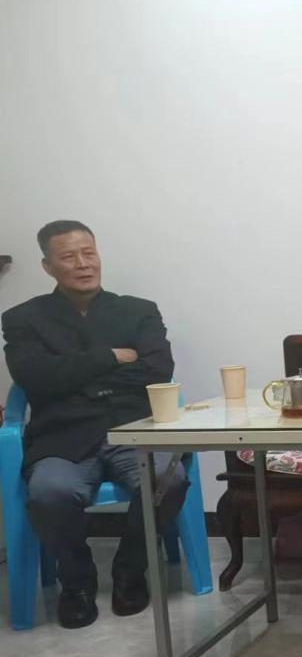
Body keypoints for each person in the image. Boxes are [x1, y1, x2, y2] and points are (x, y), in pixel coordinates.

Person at [1, 221, 189, 629]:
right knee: (49, 492)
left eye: (89, 253)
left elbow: (157, 370)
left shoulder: (138, 310)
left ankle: (130, 571)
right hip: (63, 437)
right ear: (48, 266)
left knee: (168, 479)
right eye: (69, 257)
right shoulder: (23, 319)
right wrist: (110, 358)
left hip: (133, 427)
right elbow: (35, 377)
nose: (83, 264)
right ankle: (77, 583)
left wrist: (72, 378)